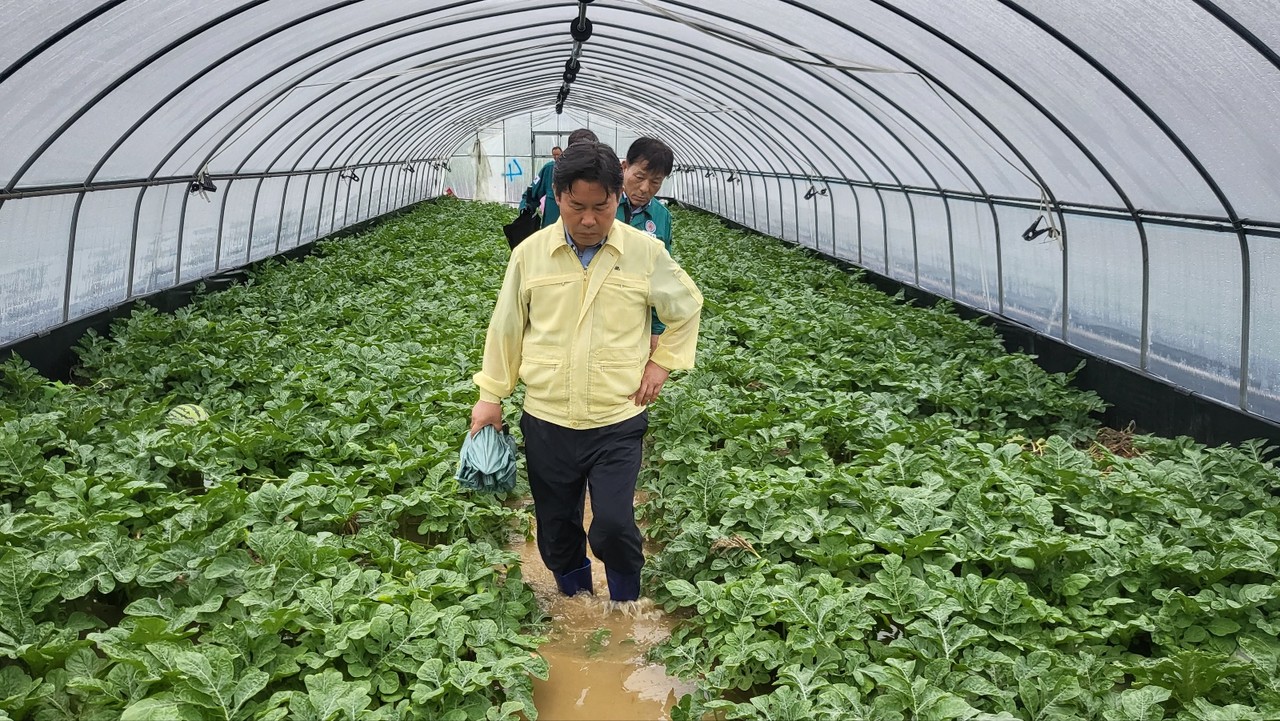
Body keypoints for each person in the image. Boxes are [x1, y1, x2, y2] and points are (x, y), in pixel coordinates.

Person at [471, 141, 703, 604]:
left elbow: (687, 307)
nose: (591, 219)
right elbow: (506, 328)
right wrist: (491, 395)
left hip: (616, 417)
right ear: (558, 198)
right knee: (556, 530)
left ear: (619, 198)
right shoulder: (531, 254)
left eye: (603, 206)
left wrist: (661, 363)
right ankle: (575, 602)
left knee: (615, 525)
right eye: (578, 207)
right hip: (547, 417)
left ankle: (624, 609)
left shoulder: (645, 252)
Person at [616, 137, 675, 354]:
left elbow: (662, 275)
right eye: (639, 177)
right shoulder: (602, 205)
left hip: (637, 317)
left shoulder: (661, 217)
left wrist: (657, 329)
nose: (644, 188)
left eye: (655, 182)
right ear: (624, 167)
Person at [520, 128, 598, 228]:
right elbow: (529, 197)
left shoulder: (602, 177)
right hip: (553, 239)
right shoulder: (550, 170)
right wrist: (525, 210)